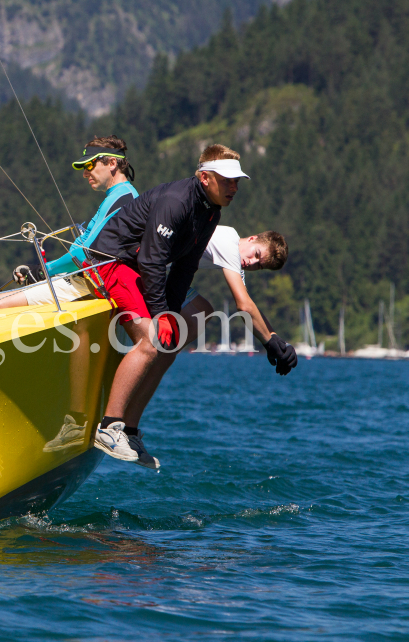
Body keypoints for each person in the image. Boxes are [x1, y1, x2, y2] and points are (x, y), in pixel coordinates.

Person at [85, 144, 298, 470]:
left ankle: (129, 429)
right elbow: (153, 262)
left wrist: (169, 315)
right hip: (112, 261)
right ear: (204, 178)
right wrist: (160, 318)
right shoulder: (179, 203)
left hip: (137, 267)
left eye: (237, 181)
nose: (234, 188)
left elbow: (185, 267)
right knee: (152, 341)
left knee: (174, 336)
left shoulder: (211, 213)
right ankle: (109, 426)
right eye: (227, 180)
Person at [0, 135, 138, 309]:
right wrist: (44, 270)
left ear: (112, 163)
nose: (84, 174)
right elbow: (86, 244)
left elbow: (85, 254)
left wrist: (43, 271)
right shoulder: (120, 195)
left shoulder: (122, 198)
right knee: (2, 298)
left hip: (91, 282)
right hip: (86, 277)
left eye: (89, 165)